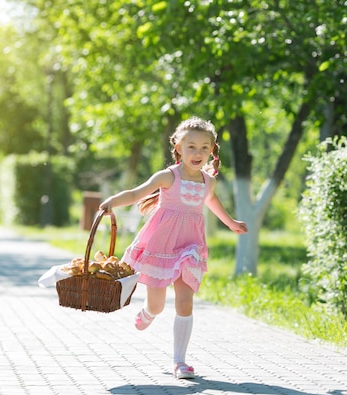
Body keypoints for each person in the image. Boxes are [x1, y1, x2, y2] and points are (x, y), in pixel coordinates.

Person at [99, 116, 248, 379]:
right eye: (191, 146)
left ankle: (180, 362)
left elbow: (212, 203)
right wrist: (112, 201)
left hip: (190, 246)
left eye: (204, 147)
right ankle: (148, 312)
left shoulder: (208, 181)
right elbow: (136, 193)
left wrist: (231, 222)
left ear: (212, 150)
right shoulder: (169, 176)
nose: (198, 153)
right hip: (163, 244)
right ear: (178, 147)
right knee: (157, 306)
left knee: (184, 302)